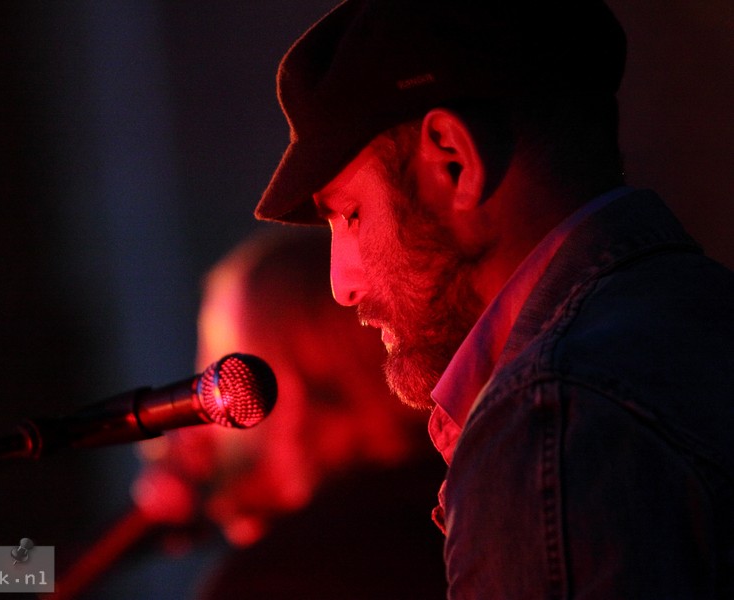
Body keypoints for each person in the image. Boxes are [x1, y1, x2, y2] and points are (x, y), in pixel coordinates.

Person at [253, 1, 734, 598]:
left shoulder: (551, 422)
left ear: (454, 161)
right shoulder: (698, 316)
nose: (342, 285)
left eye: (350, 214)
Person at [130, 227, 448, 598]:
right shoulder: (463, 503)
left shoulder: (279, 577)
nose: (204, 421)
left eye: (224, 374)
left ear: (294, 392)